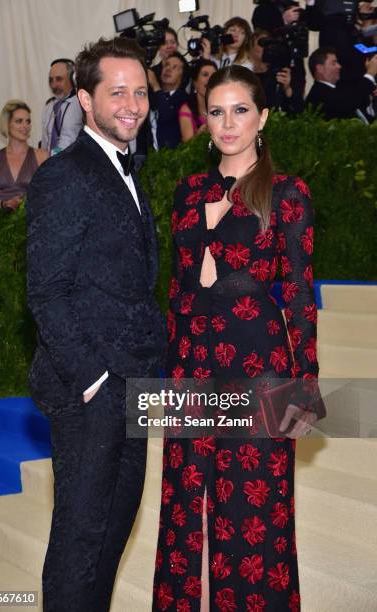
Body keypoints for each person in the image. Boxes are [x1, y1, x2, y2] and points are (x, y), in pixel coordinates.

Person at [152, 65, 325, 611]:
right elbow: (178, 290)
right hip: (190, 363)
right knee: (183, 504)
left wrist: (306, 387)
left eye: (241, 110)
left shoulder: (288, 193)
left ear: (263, 117)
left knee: (252, 510)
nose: (228, 124)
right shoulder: (186, 192)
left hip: (258, 360)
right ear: (206, 120)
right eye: (218, 111)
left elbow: (299, 295)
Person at [27, 36, 165, 612]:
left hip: (133, 387)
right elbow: (47, 293)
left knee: (111, 536)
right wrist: (93, 380)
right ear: (85, 99)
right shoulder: (64, 174)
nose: (132, 103)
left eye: (140, 92)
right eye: (117, 92)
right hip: (94, 393)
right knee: (80, 540)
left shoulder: (128, 172)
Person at [0, 100, 47, 212]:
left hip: (33, 222)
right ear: (7, 124)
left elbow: (48, 195)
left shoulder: (42, 155)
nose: (25, 126)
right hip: (0, 224)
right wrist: (3, 204)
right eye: (19, 121)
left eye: (28, 121)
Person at [305, 46, 377, 122]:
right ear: (320, 68)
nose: (339, 66)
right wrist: (370, 74)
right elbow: (350, 102)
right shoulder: (318, 94)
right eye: (334, 63)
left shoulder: (338, 90)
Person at [251, 30, 304, 114]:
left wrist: (287, 88)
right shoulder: (246, 74)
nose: (266, 48)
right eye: (262, 43)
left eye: (269, 44)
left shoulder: (280, 72)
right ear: (251, 48)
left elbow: (298, 108)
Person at [41, 58, 83, 154]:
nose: (54, 85)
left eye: (59, 79)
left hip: (73, 164)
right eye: (51, 80)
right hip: (50, 164)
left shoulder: (82, 104)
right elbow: (45, 141)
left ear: (72, 79)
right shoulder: (48, 107)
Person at [148, 52, 189, 149]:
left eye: (174, 67)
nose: (168, 69)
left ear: (182, 76)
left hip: (170, 158)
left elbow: (166, 115)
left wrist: (155, 85)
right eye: (166, 65)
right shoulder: (150, 95)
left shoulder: (184, 100)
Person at [179, 60, 217, 143]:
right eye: (205, 75)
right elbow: (187, 148)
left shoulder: (224, 105)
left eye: (213, 75)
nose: (210, 79)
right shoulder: (186, 109)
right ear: (195, 82)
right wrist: (199, 135)